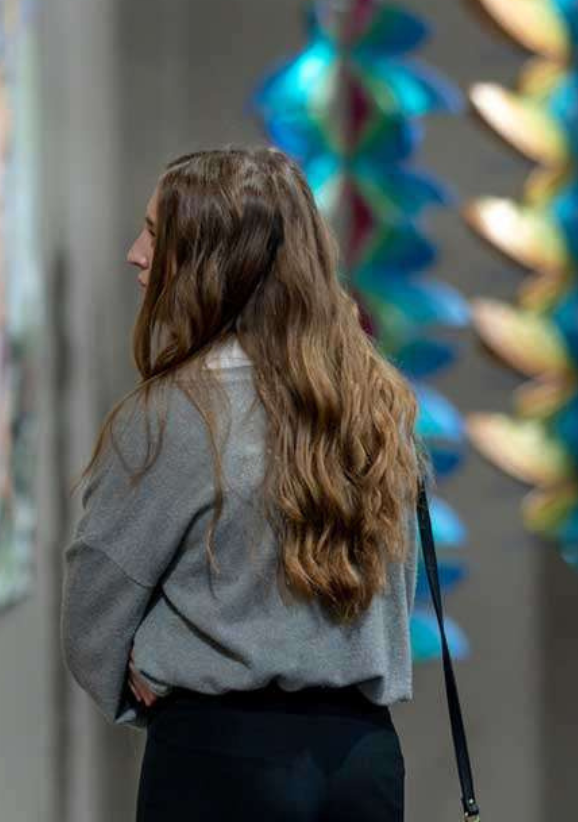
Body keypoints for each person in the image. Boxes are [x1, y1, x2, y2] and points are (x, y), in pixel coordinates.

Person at [62, 147, 422, 821]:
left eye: (155, 233)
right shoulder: (380, 403)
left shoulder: (174, 414)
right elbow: (394, 598)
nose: (134, 254)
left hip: (219, 760)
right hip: (365, 764)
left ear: (212, 261)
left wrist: (154, 670)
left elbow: (95, 611)